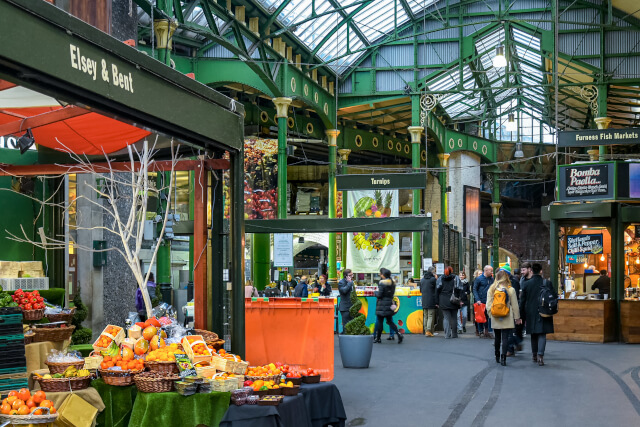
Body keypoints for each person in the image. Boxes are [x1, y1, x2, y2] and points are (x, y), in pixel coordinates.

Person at [520, 263, 555, 366]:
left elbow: (522, 300)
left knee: (533, 334)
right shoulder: (546, 283)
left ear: (531, 271)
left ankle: (534, 355)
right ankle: (540, 356)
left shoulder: (526, 284)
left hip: (531, 311)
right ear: (541, 271)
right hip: (544, 311)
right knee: (542, 333)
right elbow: (553, 296)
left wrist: (520, 314)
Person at [487, 270, 521, 366]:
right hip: (507, 315)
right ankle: (503, 358)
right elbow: (515, 305)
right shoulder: (510, 289)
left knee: (497, 337)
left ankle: (497, 355)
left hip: (495, 315)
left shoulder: (492, 289)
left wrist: (491, 315)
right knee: (505, 337)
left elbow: (488, 305)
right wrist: (517, 317)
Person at [373, 268, 403, 344]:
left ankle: (378, 338)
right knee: (390, 321)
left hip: (382, 304)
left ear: (383, 275)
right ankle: (399, 334)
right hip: (389, 303)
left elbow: (380, 295)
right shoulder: (393, 283)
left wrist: (375, 293)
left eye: (380, 273)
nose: (380, 274)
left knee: (380, 321)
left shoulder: (382, 283)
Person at [435, 266, 463, 339]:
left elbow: (437, 290)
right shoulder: (456, 278)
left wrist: (437, 302)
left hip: (443, 300)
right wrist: (460, 299)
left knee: (446, 318)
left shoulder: (440, 278)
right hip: (454, 300)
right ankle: (454, 334)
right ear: (452, 271)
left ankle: (447, 334)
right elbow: (460, 289)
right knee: (454, 317)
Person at [473, 265, 494, 338]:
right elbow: (474, 289)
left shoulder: (492, 279)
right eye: (490, 270)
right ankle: (481, 331)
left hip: (489, 301)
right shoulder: (479, 279)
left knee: (489, 316)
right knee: (481, 316)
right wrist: (477, 299)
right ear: (486, 270)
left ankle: (489, 331)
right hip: (481, 301)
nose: (492, 272)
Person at [420, 267, 438, 337]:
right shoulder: (433, 279)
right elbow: (436, 290)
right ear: (433, 272)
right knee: (430, 315)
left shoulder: (422, 280)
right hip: (431, 300)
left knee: (425, 316)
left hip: (424, 299)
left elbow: (421, 290)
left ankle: (425, 330)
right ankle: (428, 330)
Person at [338, 269, 354, 334]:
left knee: (351, 324)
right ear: (346, 276)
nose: (352, 276)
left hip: (351, 306)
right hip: (345, 307)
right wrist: (349, 283)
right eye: (350, 275)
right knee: (346, 324)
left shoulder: (351, 282)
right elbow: (344, 291)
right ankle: (345, 338)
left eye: (352, 274)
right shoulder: (341, 282)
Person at [472, 269, 483, 336]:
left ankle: (482, 329)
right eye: (479, 274)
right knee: (477, 314)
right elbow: (474, 290)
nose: (481, 275)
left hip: (482, 299)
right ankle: (477, 329)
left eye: (481, 273)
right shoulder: (475, 281)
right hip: (477, 300)